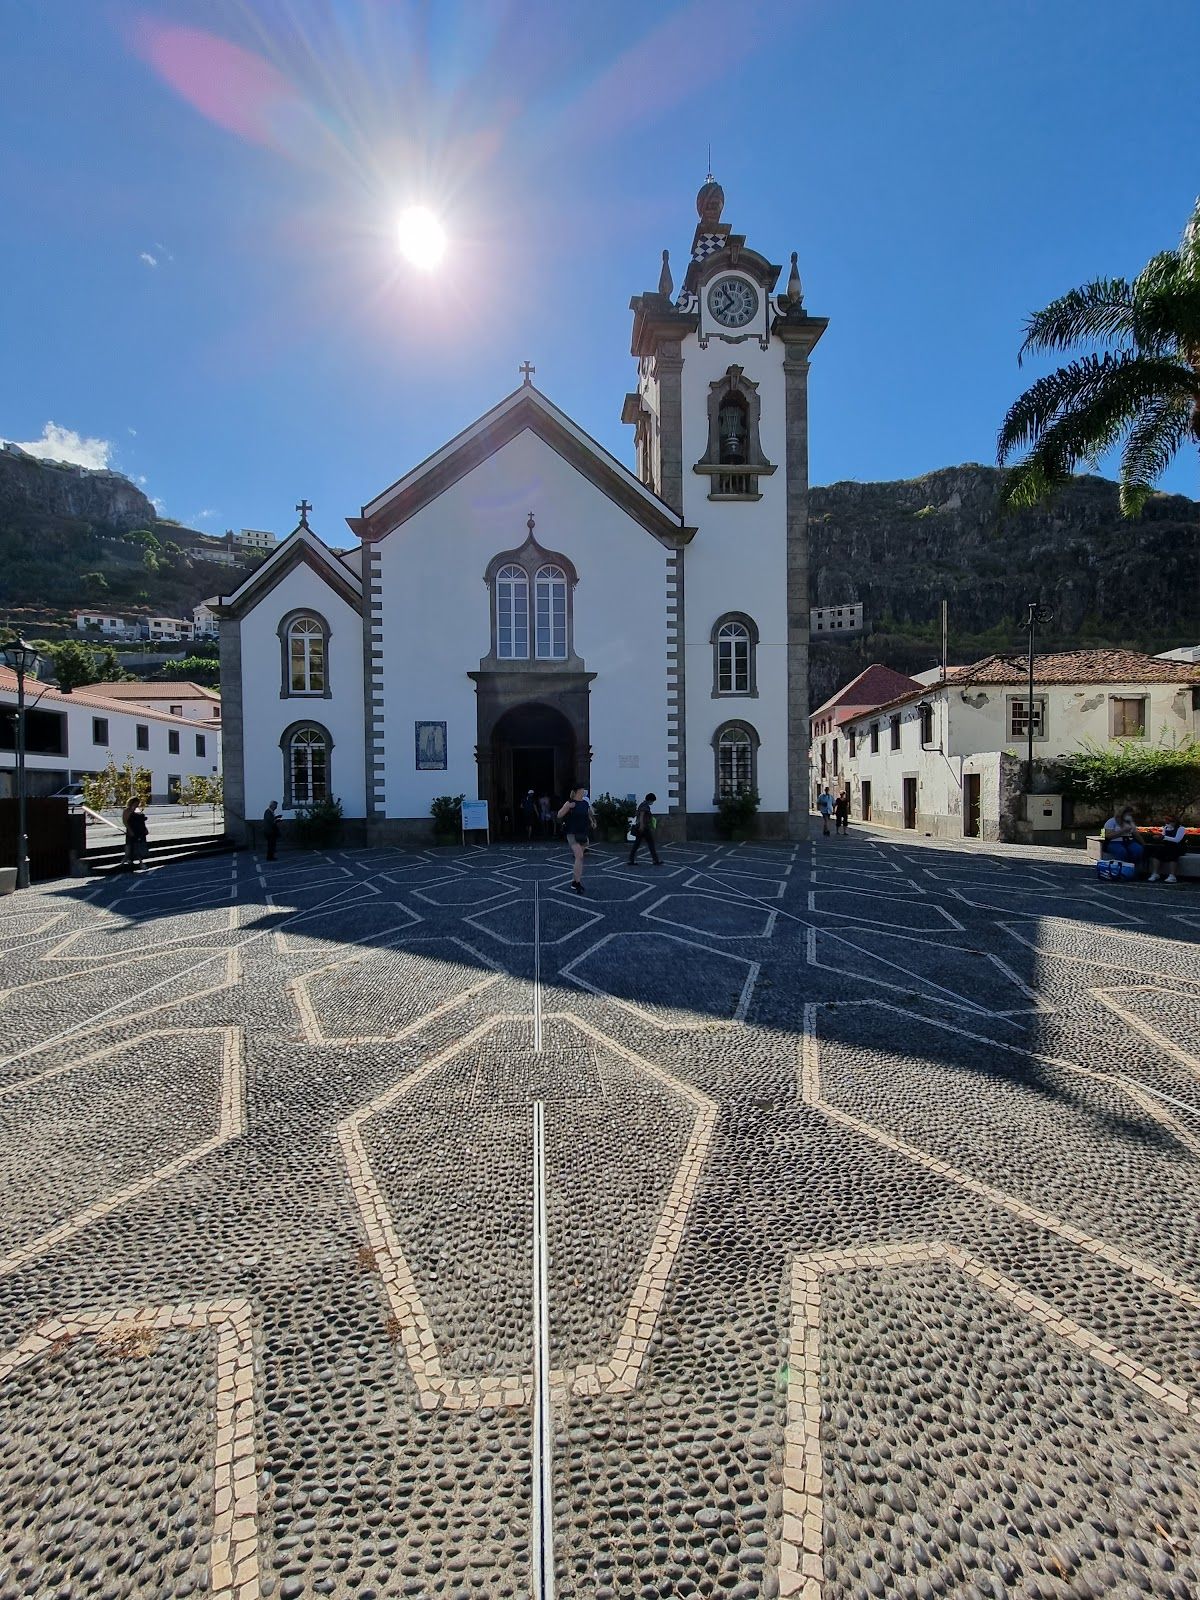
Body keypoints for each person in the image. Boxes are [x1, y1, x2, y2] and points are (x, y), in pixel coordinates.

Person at [557, 785, 594, 894]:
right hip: (572, 833)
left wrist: (592, 821)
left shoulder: (585, 803)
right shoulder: (570, 803)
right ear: (577, 792)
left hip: (583, 833)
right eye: (582, 791)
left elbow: (588, 814)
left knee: (579, 859)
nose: (584, 792)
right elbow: (559, 815)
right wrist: (568, 807)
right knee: (579, 856)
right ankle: (577, 883)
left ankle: (574, 881)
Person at [1147, 813, 1187, 884]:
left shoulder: (1181, 828)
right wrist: (1158, 837)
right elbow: (1163, 836)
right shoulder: (1166, 828)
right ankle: (1155, 873)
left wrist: (1163, 837)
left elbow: (1177, 840)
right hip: (1167, 846)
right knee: (1157, 853)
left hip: (1178, 847)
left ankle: (1172, 876)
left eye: (1169, 822)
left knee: (1173, 853)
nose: (1167, 823)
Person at [627, 792, 662, 866]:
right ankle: (655, 860)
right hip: (644, 828)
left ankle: (631, 859)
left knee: (637, 844)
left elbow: (638, 815)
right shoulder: (645, 806)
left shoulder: (642, 804)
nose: (652, 802)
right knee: (650, 843)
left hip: (641, 827)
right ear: (650, 800)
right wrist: (642, 826)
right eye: (653, 801)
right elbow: (642, 816)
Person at [122, 795, 149, 871]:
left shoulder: (137, 810)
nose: (137, 805)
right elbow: (125, 821)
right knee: (132, 847)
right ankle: (138, 863)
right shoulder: (127, 810)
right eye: (136, 803)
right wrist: (130, 830)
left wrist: (145, 829)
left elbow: (141, 821)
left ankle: (136, 862)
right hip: (132, 831)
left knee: (138, 847)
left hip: (139, 831)